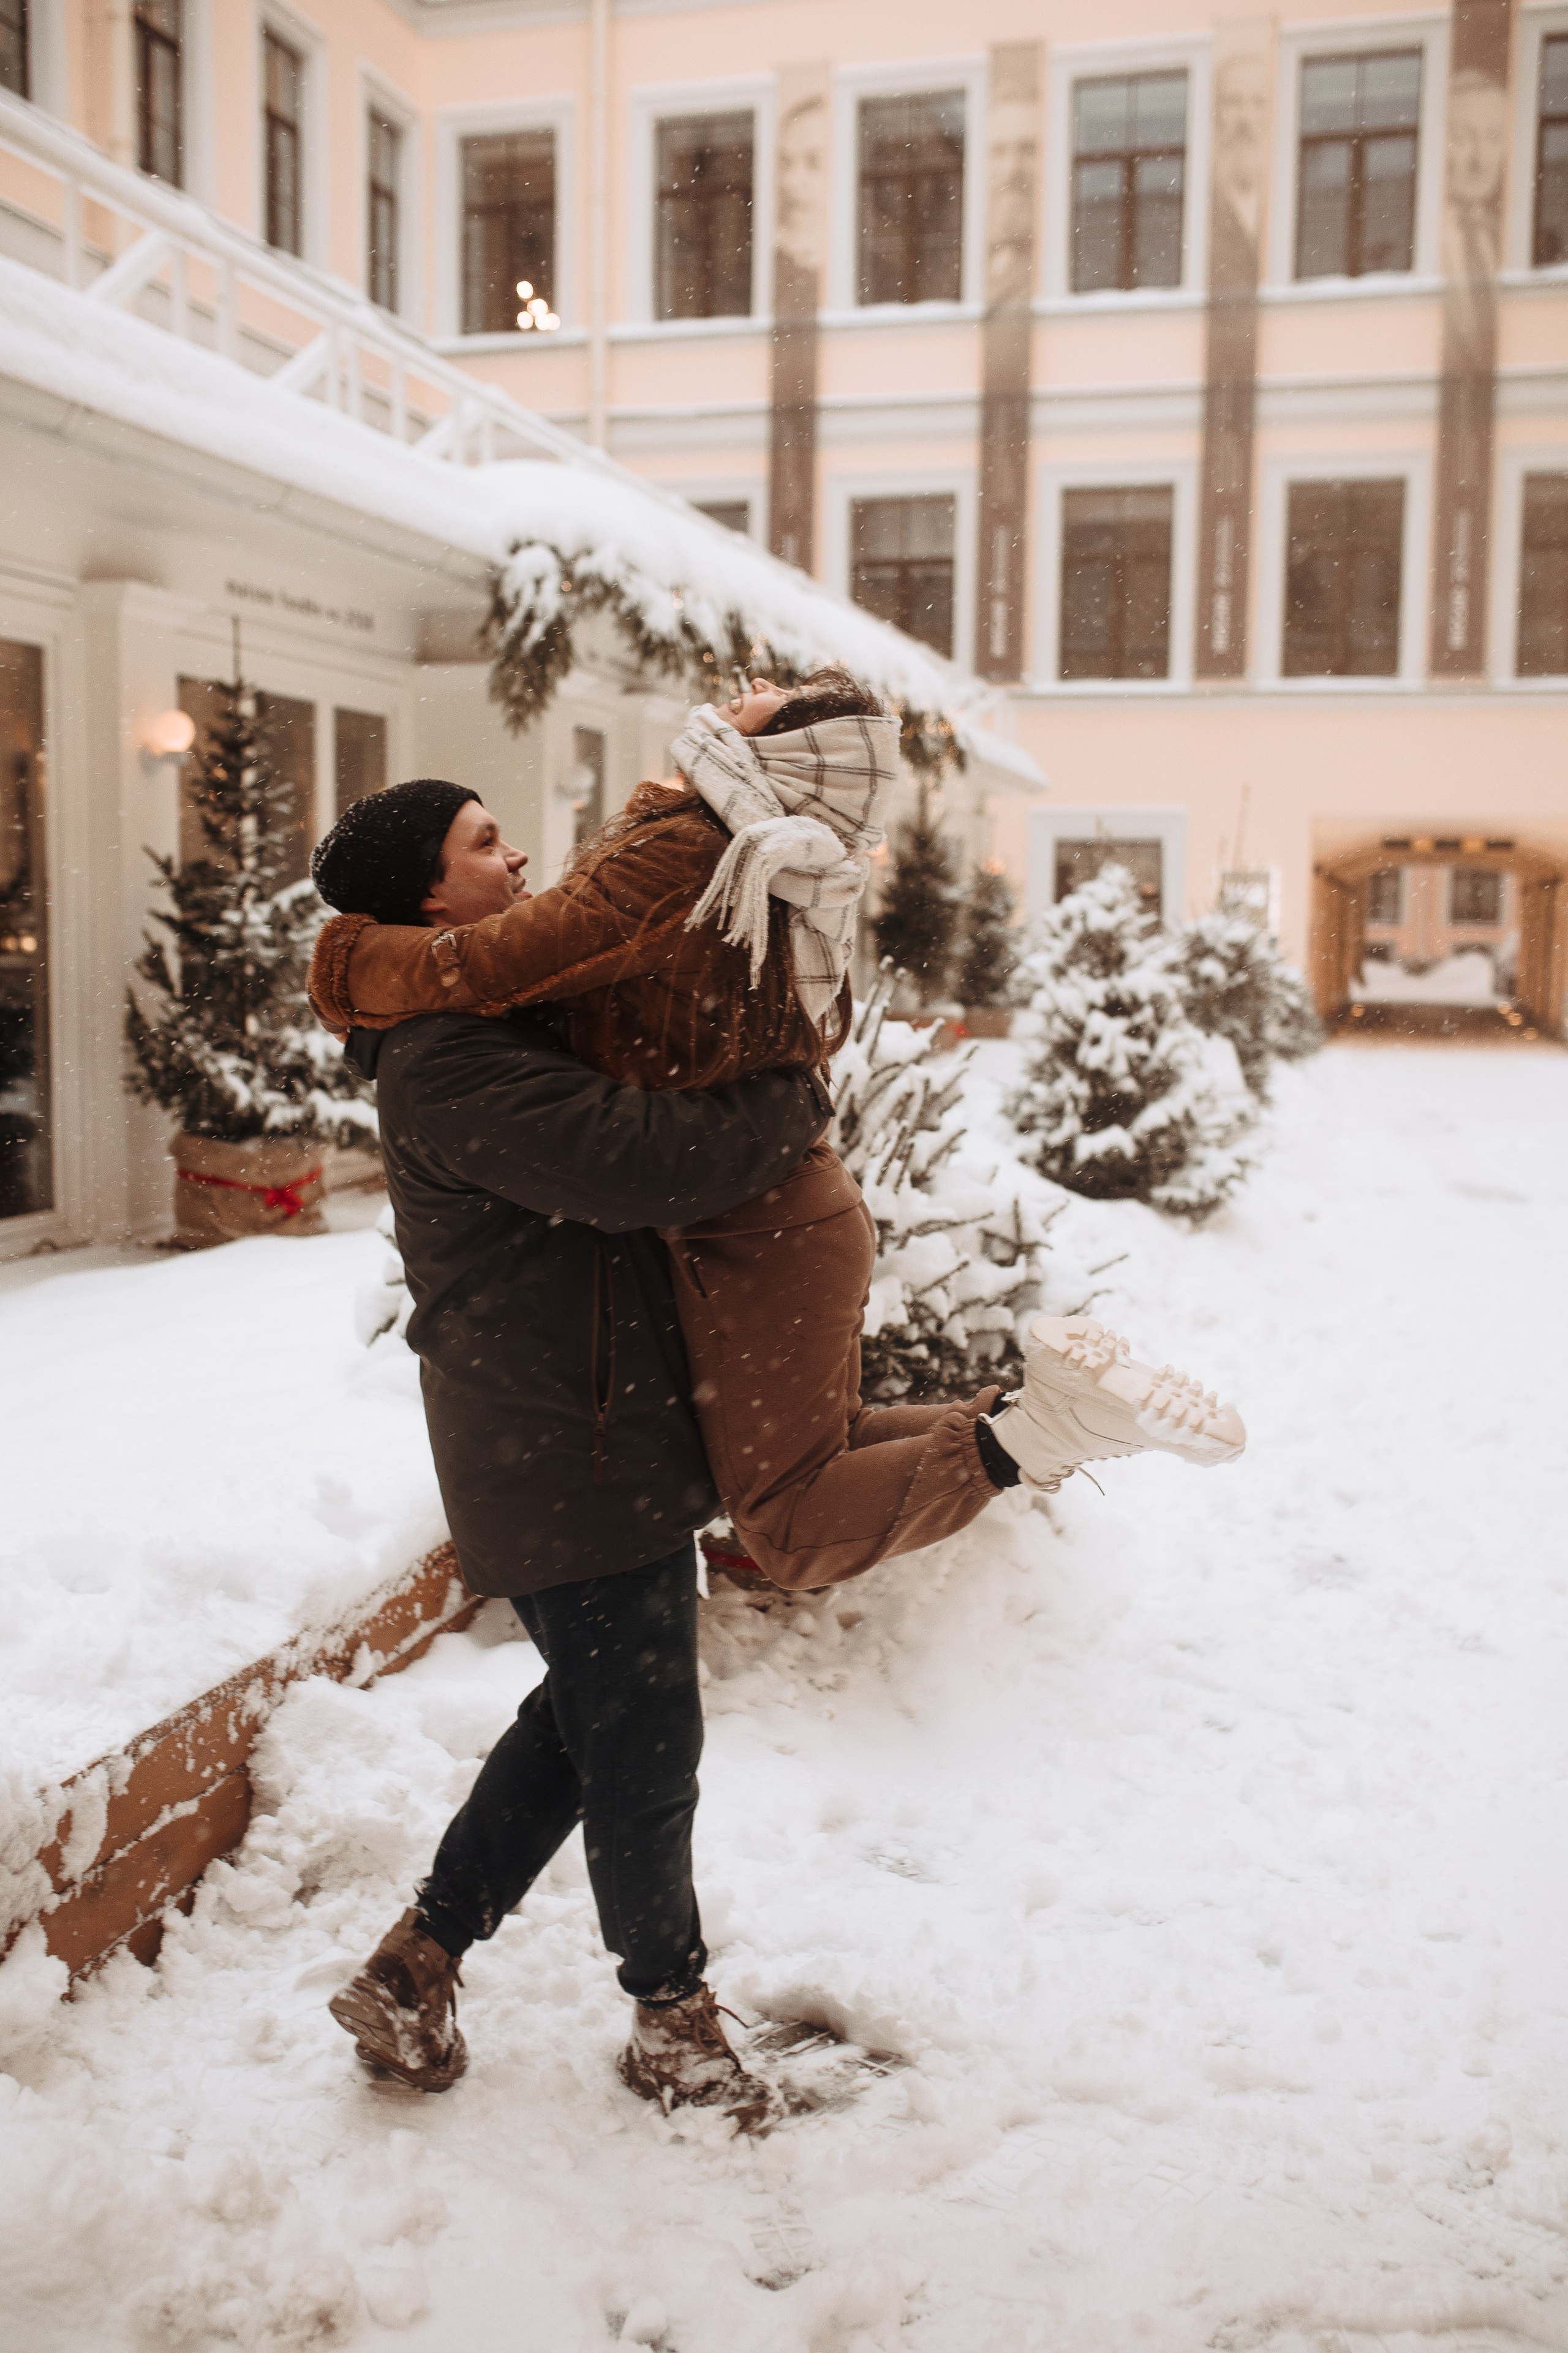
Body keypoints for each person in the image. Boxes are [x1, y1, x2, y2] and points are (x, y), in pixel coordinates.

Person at [309, 671, 1245, 1596]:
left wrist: (351, 962)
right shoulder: (735, 839)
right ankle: (1032, 1415)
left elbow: (506, 961)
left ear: (778, 747)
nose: (747, 680)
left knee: (789, 1524)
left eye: (773, 693)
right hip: (786, 1212)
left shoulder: (693, 849)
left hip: (758, 1223)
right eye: (488, 840)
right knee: (819, 1451)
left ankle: (1037, 1432)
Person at [308, 776, 834, 2128]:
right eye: (484, 843)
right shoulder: (449, 1061)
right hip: (565, 1448)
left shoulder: (471, 1018)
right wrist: (791, 1089)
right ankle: (671, 2019)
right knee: (644, 1740)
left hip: (584, 1431)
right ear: (429, 894)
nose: (517, 853)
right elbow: (649, 1162)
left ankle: (417, 1965)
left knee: (585, 1716)